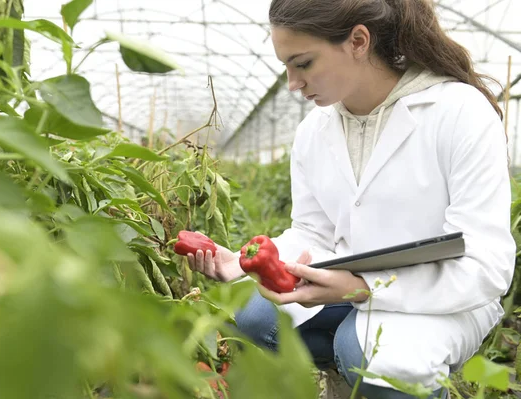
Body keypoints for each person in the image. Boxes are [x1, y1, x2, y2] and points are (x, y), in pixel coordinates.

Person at [183, 0, 516, 398]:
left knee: (369, 356)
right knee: (254, 316)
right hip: (344, 286)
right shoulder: (313, 131)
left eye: (302, 63)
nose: (292, 82)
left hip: (448, 296)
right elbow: (313, 230)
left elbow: (487, 267)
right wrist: (241, 264)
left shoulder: (460, 112)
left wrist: (362, 288)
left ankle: (380, 373)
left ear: (358, 41)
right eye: (286, 66)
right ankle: (348, 368)